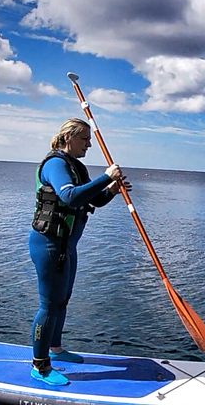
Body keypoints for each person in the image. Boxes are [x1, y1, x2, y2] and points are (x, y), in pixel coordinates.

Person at [28, 118, 132, 386]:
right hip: (48, 244)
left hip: (67, 246)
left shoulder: (77, 166)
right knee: (49, 305)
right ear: (68, 138)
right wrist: (106, 176)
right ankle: (39, 367)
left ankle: (56, 348)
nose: (89, 144)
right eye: (84, 139)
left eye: (89, 140)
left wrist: (111, 190)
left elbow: (93, 199)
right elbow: (70, 197)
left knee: (62, 301)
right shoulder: (55, 164)